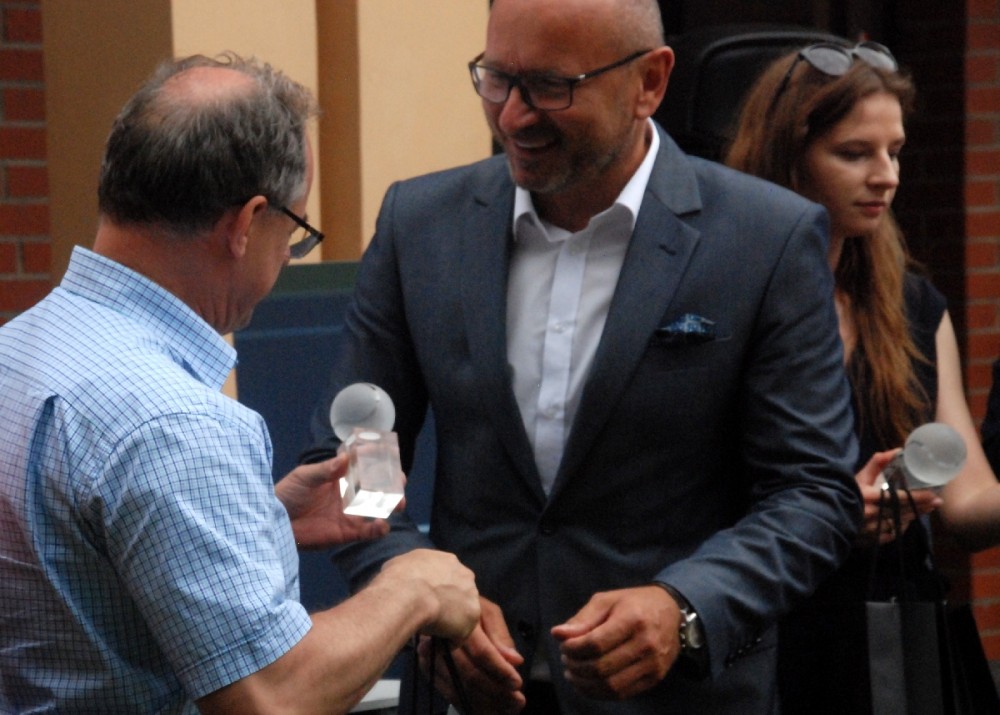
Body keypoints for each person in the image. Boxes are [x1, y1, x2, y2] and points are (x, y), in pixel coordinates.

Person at [301, 1, 862, 713]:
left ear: (650, 82)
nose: (512, 116)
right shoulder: (421, 223)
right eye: (496, 78)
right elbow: (359, 451)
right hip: (469, 694)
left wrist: (685, 606)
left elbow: (813, 491)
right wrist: (414, 588)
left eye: (550, 86)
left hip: (677, 698)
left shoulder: (764, 238)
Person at [0, 52, 480, 714]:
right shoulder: (178, 423)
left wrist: (261, 518)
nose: (286, 257)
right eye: (295, 234)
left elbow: (80, 562)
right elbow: (273, 695)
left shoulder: (18, 350)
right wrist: (413, 588)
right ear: (249, 223)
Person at [725, 39, 1000, 712]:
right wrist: (825, 514)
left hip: (887, 647)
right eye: (854, 153)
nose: (886, 177)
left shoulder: (910, 306)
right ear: (787, 155)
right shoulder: (720, 299)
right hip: (762, 639)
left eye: (895, 152)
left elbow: (968, 503)